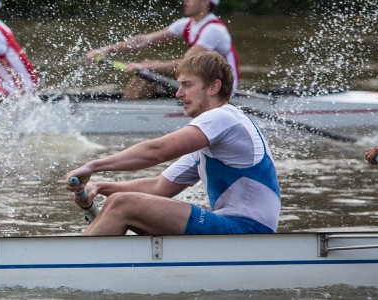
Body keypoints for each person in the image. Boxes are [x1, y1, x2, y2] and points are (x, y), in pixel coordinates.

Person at [65, 51, 280, 236]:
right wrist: (100, 187)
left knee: (122, 203)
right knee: (118, 201)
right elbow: (158, 187)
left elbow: (156, 152)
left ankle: (72, 271)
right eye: (179, 86)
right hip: (234, 228)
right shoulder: (209, 142)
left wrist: (92, 166)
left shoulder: (223, 117)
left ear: (213, 87)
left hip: (248, 232)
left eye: (187, 85)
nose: (178, 94)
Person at [87, 0, 239, 99]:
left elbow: (187, 66)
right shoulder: (186, 24)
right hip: (202, 81)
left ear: (206, 2)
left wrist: (144, 66)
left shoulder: (213, 29)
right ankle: (132, 107)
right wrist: (106, 50)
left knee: (147, 71)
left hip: (220, 89)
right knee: (146, 72)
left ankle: (127, 113)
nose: (185, 1)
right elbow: (143, 41)